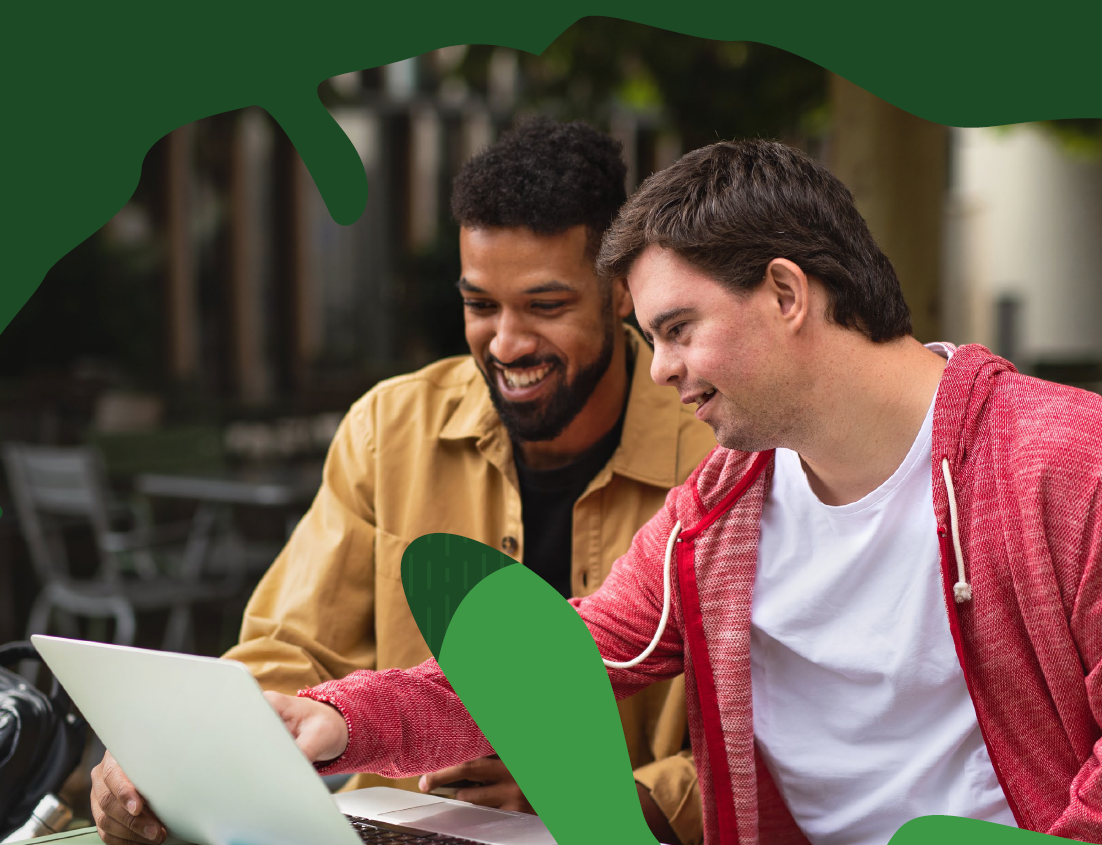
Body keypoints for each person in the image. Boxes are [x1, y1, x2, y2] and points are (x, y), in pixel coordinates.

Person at [246, 139, 1101, 844]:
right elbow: (554, 662)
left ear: (785, 292)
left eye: (678, 330)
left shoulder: (1064, 463)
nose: (658, 370)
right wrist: (341, 721)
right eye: (651, 337)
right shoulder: (722, 509)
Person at [88, 118, 716, 845]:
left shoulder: (717, 456)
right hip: (385, 826)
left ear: (620, 294)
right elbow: (288, 651)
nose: (506, 343)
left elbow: (773, 749)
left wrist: (602, 798)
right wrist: (179, 760)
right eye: (480, 305)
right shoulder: (389, 429)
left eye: (546, 306)